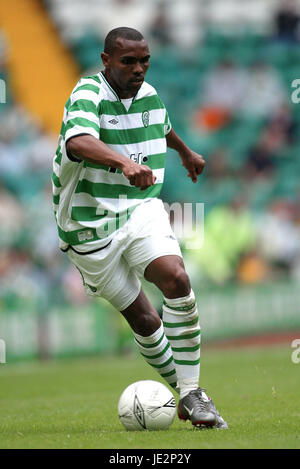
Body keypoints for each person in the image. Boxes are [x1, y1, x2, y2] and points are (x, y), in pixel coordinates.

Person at [52, 27, 227, 429]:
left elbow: (161, 126)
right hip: (87, 227)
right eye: (128, 61)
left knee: (177, 278)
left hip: (139, 208)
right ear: (106, 60)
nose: (138, 68)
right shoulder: (87, 94)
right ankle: (184, 395)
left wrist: (186, 152)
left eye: (144, 60)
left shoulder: (148, 93)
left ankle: (193, 393)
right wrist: (124, 162)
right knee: (146, 321)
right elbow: (77, 141)